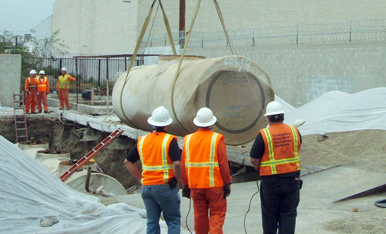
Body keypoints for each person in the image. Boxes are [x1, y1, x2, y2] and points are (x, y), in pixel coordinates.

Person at [123, 106, 181, 234]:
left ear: (152, 123)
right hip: (165, 187)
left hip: (147, 188)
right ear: (167, 124)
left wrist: (140, 178)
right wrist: (177, 181)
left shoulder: (142, 141)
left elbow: (127, 161)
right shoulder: (170, 140)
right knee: (173, 221)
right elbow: (176, 164)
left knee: (152, 222)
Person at [249, 101, 302, 234]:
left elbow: (254, 159)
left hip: (270, 182)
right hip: (292, 180)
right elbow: (297, 148)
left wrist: (259, 168)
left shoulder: (264, 134)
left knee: (269, 216)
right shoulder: (294, 131)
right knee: (289, 214)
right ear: (283, 115)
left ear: (268, 117)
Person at [181, 107, 232, 234]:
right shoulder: (217, 139)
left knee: (199, 216)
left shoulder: (188, 139)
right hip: (215, 186)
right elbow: (223, 164)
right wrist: (227, 183)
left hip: (195, 186)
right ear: (211, 123)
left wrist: (185, 184)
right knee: (217, 215)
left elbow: (183, 165)